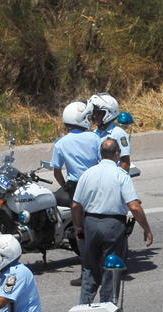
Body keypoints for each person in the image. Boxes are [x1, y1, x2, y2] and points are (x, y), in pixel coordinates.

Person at [72, 138, 153, 304]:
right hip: (113, 226)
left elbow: (75, 205)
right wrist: (147, 229)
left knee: (90, 269)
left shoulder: (87, 174)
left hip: (91, 224)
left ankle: (83, 310)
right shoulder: (121, 175)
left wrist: (79, 227)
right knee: (111, 269)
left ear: (101, 154)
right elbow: (134, 207)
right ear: (117, 153)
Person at [51, 100, 102, 287]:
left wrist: (65, 186)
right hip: (96, 183)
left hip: (76, 188)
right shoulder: (95, 138)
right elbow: (101, 160)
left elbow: (57, 171)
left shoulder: (61, 143)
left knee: (81, 229)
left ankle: (86, 272)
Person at [89, 93, 133, 173]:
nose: (95, 116)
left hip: (113, 177)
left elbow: (125, 163)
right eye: (94, 113)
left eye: (98, 113)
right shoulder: (94, 134)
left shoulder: (118, 133)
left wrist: (119, 181)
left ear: (109, 113)